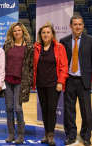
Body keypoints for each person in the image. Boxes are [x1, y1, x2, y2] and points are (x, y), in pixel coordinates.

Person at [32, 24, 68, 146]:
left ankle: (51, 135)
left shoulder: (59, 47)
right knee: (44, 109)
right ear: (40, 35)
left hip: (54, 84)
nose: (46, 34)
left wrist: (60, 82)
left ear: (52, 34)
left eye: (48, 32)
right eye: (43, 33)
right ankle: (46, 132)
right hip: (40, 84)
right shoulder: (36, 47)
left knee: (52, 109)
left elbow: (64, 66)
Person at [60, 15, 92, 146]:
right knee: (69, 110)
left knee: (86, 111)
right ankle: (71, 135)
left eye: (79, 24)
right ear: (70, 26)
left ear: (83, 25)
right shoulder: (64, 41)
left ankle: (86, 135)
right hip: (69, 80)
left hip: (83, 80)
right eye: (75, 24)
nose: (77, 26)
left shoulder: (90, 40)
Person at [3, 22, 34, 144]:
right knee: (8, 107)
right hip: (7, 80)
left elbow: (31, 66)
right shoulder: (7, 46)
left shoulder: (29, 48)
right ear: (12, 33)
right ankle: (11, 134)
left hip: (21, 81)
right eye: (14, 31)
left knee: (18, 108)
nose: (17, 33)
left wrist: (29, 82)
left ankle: (20, 135)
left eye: (19, 30)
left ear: (23, 32)